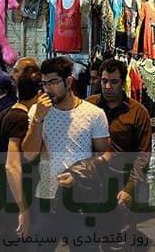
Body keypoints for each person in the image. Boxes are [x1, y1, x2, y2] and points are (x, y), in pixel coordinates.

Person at [21, 56, 110, 249]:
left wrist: (78, 174)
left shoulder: (94, 114)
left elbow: (106, 155)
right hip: (46, 196)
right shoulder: (37, 111)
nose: (47, 89)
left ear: (68, 82)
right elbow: (28, 154)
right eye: (44, 83)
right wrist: (38, 119)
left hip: (81, 198)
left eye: (53, 82)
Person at [86, 59, 152, 249]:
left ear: (123, 83)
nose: (107, 86)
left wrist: (130, 188)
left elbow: (143, 155)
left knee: (120, 240)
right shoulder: (89, 107)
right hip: (92, 182)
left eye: (113, 82)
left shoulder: (137, 113)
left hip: (122, 183)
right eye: (104, 81)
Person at [0, 68, 43, 242]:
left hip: (6, 190)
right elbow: (12, 165)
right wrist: (23, 209)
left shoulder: (7, 112)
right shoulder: (20, 118)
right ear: (40, 94)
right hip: (16, 193)